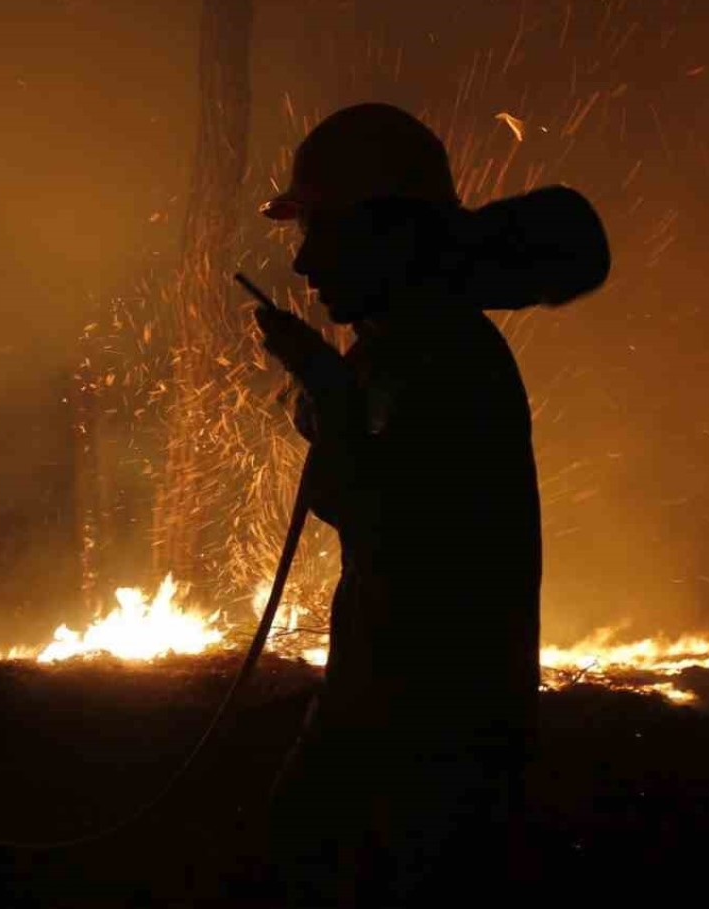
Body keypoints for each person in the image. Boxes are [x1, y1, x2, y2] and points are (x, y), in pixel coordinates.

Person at [254, 103, 606, 905]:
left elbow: (397, 527)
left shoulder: (445, 357)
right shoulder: (411, 347)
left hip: (428, 757)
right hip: (401, 733)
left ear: (381, 230)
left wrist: (329, 388)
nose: (303, 264)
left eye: (318, 230)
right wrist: (329, 385)